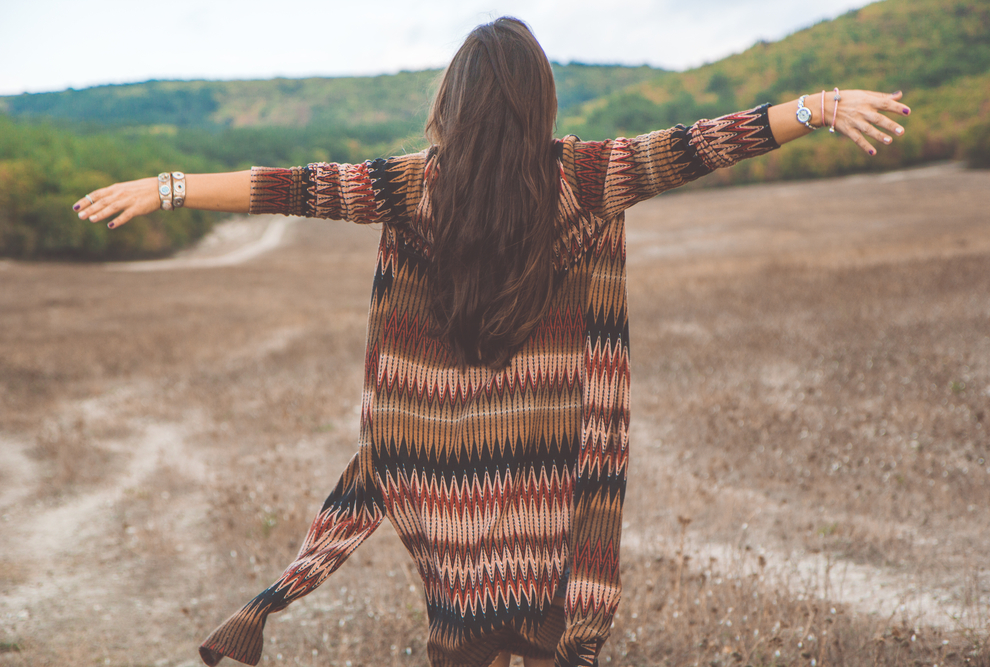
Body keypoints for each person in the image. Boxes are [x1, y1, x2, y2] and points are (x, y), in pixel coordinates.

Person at [73, 17, 910, 667]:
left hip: (450, 503)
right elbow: (696, 145)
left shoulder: (408, 188)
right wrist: (817, 108)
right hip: (552, 491)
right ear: (539, 100)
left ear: (454, 101)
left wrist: (167, 187)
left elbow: (291, 186)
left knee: (467, 638)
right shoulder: (589, 177)